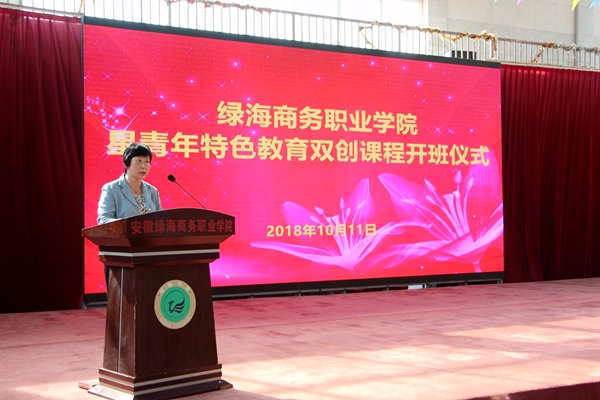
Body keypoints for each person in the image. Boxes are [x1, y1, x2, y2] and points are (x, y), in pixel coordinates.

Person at [97, 142, 163, 293]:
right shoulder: (111, 189)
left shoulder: (152, 191)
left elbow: (159, 221)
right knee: (123, 300)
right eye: (139, 161)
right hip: (121, 254)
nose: (144, 166)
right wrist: (131, 227)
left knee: (148, 297)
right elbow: (104, 220)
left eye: (147, 161)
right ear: (126, 163)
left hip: (148, 254)